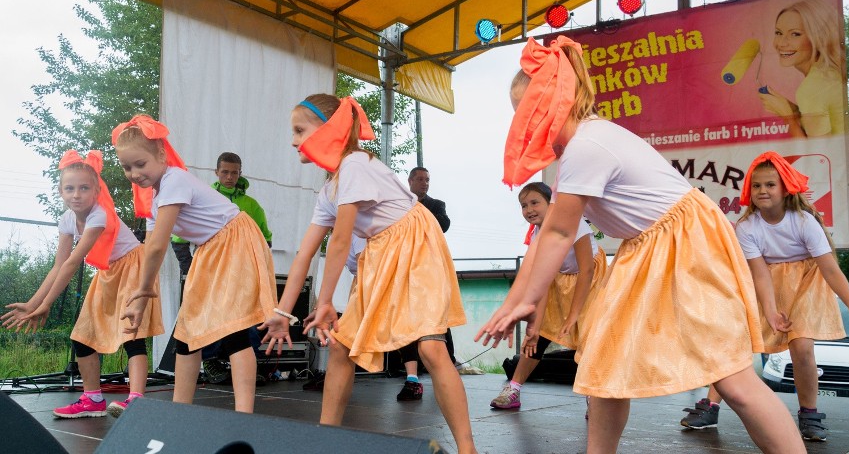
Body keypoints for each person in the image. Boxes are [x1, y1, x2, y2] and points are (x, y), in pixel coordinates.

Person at [476, 36, 806, 454]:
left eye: (532, 110)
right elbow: (546, 239)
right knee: (606, 365)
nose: (527, 123)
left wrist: (527, 300)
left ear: (558, 100)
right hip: (646, 251)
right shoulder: (577, 153)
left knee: (732, 378)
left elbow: (560, 236)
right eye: (522, 115)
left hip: (685, 246)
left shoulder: (587, 145)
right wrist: (513, 303)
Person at [260, 94, 476, 454]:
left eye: (300, 130)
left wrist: (326, 300)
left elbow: (342, 238)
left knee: (431, 348)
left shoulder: (356, 164)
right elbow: (306, 253)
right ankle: (326, 437)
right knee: (343, 347)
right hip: (379, 256)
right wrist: (283, 312)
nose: (293, 139)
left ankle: (468, 449)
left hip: (415, 245)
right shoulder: (328, 189)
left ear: (330, 130)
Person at [681, 152, 849, 441]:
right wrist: (770, 311)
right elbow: (760, 274)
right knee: (737, 342)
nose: (763, 191)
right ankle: (710, 405)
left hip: (806, 283)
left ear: (786, 189)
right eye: (757, 186)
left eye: (770, 185)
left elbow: (831, 271)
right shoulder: (748, 227)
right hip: (766, 283)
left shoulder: (804, 222)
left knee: (801, 347)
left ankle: (809, 413)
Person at [113, 115, 276, 414]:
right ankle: (180, 411)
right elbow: (150, 247)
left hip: (234, 241)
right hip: (208, 250)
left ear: (161, 156)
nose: (134, 173)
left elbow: (159, 245)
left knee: (234, 328)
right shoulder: (153, 198)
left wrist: (143, 292)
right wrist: (141, 291)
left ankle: (245, 414)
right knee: (188, 330)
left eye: (140, 164)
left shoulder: (174, 179)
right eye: (127, 167)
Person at [2, 150, 163, 419]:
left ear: (96, 190)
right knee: (83, 335)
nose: (76, 194)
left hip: (133, 266)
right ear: (61, 191)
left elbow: (72, 263)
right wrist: (33, 304)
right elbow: (58, 264)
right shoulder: (66, 220)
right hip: (108, 272)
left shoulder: (99, 215)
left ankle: (136, 400)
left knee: (132, 334)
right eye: (70, 188)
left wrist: (46, 305)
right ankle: (93, 399)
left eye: (84, 188)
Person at [490, 182, 606, 411]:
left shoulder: (574, 222)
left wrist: (574, 313)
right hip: (558, 281)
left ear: (550, 204)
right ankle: (514, 387)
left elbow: (587, 270)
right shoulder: (536, 235)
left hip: (590, 280)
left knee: (590, 338)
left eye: (535, 202)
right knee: (538, 334)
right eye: (523, 205)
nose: (529, 209)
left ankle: (593, 396)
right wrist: (535, 323)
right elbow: (540, 281)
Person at [170, 151, 275, 382]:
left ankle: (241, 368)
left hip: (239, 272)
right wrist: (189, 270)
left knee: (244, 320)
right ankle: (211, 364)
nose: (229, 177)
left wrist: (256, 269)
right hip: (209, 271)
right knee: (201, 318)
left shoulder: (251, 205)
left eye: (234, 173)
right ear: (216, 172)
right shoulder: (204, 195)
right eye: (225, 172)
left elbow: (265, 240)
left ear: (240, 174)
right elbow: (178, 241)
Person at [396, 165, 458, 401]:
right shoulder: (400, 203)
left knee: (438, 319)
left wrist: (417, 210)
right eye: (420, 179)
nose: (424, 183)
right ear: (410, 180)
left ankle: (448, 365)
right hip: (406, 269)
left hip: (430, 270)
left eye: (427, 180)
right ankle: (412, 378)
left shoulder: (435, 204)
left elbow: (443, 225)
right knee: (407, 320)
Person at [759, 0, 845, 138]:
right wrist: (793, 109)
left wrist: (788, 116)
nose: (781, 43)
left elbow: (818, 156)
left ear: (818, 38)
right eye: (779, 33)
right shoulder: (828, 74)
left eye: (795, 34)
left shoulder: (811, 87)